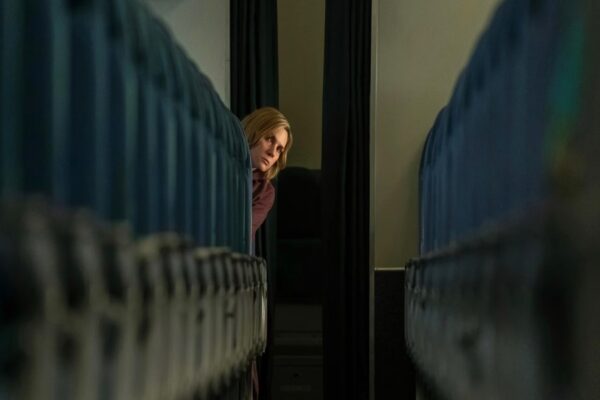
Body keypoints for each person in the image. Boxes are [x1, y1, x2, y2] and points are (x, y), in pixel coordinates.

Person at [241, 107, 293, 239]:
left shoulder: (266, 192)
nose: (273, 153)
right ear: (253, 131)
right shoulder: (218, 160)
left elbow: (241, 233)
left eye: (279, 149)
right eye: (269, 139)